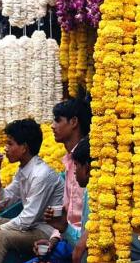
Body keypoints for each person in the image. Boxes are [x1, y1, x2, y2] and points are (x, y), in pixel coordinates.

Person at [0, 119, 65, 263]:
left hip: (45, 232)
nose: (5, 148)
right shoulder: (23, 170)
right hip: (30, 227)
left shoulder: (41, 175)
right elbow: (1, 203)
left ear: (24, 147)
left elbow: (28, 219)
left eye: (10, 143)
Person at [39, 98, 92, 254]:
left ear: (74, 122)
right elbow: (66, 212)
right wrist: (54, 240)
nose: (52, 126)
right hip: (69, 238)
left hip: (86, 245)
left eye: (57, 120)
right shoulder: (69, 162)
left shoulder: (88, 159)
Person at [27, 136, 92, 263]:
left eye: (77, 166)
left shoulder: (101, 198)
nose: (74, 172)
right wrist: (64, 227)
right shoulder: (88, 192)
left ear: (87, 168)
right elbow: (81, 241)